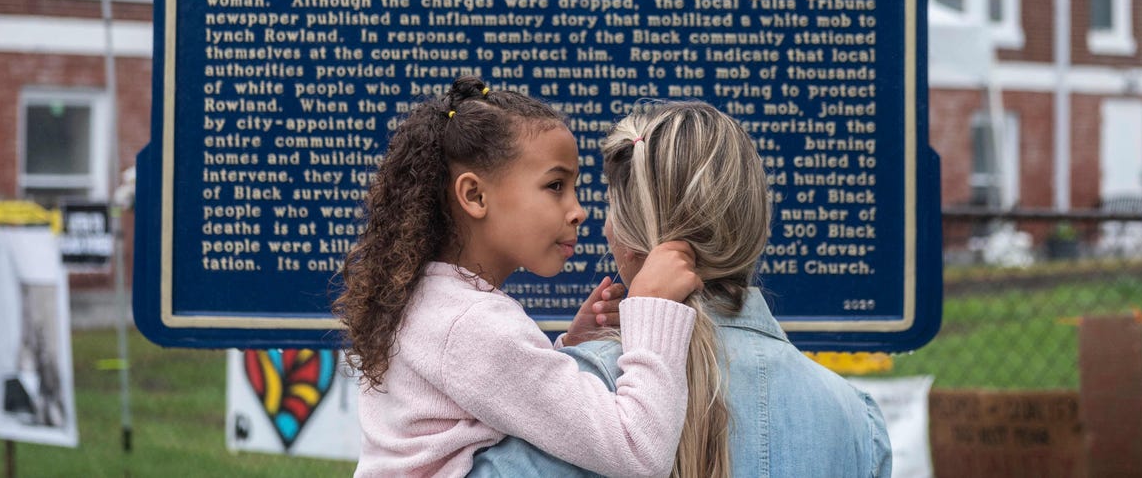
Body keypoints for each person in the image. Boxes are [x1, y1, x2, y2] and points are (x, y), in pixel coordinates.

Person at [470, 100, 892, 478]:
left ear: (635, 236)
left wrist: (576, 360)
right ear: (753, 220)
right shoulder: (854, 418)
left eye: (611, 207)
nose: (600, 224)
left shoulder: (584, 400)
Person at [332, 76, 705, 477]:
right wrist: (653, 307)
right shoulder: (473, 326)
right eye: (555, 185)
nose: (578, 211)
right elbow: (639, 451)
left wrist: (569, 348)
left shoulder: (434, 301)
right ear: (475, 196)